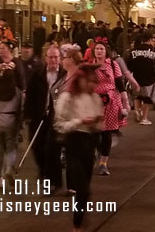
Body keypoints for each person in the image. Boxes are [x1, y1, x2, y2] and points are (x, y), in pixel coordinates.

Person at [54, 65, 103, 232]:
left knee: (85, 191)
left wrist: (97, 122)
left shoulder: (95, 97)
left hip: (89, 146)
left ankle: (79, 221)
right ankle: (77, 226)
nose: (92, 86)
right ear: (80, 79)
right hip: (73, 144)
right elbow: (59, 125)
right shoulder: (67, 98)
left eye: (93, 82)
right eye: (88, 81)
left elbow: (99, 125)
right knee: (83, 190)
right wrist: (79, 121)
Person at [24, 45, 66, 191]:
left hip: (57, 118)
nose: (53, 60)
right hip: (38, 116)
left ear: (60, 59)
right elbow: (30, 96)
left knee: (52, 149)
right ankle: (43, 173)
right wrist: (28, 115)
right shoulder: (37, 75)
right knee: (36, 147)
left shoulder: (65, 75)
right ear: (45, 58)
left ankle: (53, 181)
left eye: (56, 57)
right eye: (51, 57)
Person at [91, 40, 129, 175]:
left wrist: (125, 102)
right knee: (95, 132)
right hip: (95, 102)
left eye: (101, 49)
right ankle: (96, 153)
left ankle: (103, 163)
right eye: (97, 49)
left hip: (111, 102)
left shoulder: (113, 65)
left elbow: (120, 84)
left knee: (107, 133)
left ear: (105, 51)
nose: (99, 51)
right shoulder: (89, 66)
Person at [127, 33, 155, 125]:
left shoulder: (133, 51)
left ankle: (137, 110)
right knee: (148, 98)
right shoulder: (154, 51)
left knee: (138, 96)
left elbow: (129, 66)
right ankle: (144, 118)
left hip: (136, 77)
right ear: (150, 40)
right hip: (150, 78)